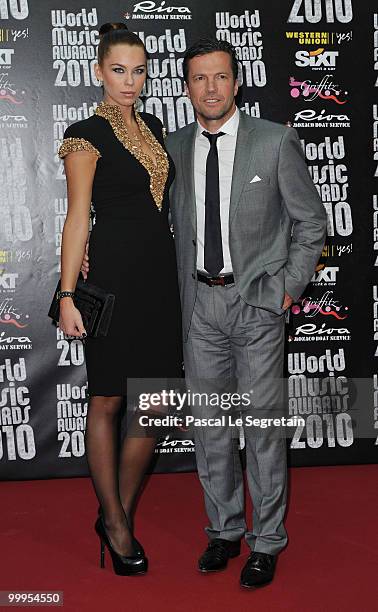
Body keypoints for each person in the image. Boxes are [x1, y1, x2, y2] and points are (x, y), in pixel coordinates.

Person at [82, 38, 327, 588]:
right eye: (199, 79)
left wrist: (286, 290)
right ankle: (223, 532)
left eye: (221, 77)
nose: (211, 88)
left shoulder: (275, 140)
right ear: (186, 87)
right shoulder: (171, 148)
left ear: (237, 83)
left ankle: (266, 542)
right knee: (211, 428)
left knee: (261, 429)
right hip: (195, 306)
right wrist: (90, 248)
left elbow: (311, 224)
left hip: (257, 303)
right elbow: (133, 216)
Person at [57, 22, 182, 576]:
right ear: (98, 72)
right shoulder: (84, 134)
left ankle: (117, 511)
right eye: (118, 70)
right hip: (110, 282)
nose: (129, 81)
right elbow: (78, 214)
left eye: (138, 71)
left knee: (153, 405)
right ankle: (114, 521)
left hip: (159, 281)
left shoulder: (154, 125)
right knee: (108, 399)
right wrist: (66, 294)